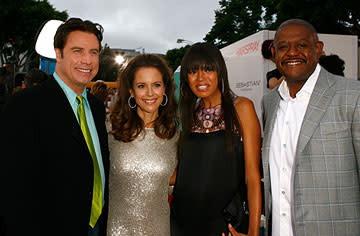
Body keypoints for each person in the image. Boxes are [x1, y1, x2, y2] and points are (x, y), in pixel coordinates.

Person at [0, 18, 110, 236]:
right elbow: (11, 188)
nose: (87, 60)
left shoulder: (96, 108)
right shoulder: (25, 105)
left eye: (94, 52)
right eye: (77, 51)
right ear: (58, 53)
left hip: (94, 227)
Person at [261, 19, 360, 236]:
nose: (292, 53)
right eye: (284, 47)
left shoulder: (352, 96)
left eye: (302, 45)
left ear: (318, 49)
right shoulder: (269, 103)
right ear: (275, 54)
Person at [171, 42, 261, 236]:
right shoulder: (188, 115)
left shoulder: (241, 108)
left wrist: (254, 232)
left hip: (222, 225)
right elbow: (181, 173)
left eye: (208, 69)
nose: (200, 78)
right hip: (181, 223)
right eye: (193, 71)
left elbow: (252, 177)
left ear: (220, 71)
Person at [107, 54, 179, 236]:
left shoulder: (174, 136)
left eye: (156, 85)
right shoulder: (110, 131)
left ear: (165, 89)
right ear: (131, 91)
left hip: (159, 229)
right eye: (141, 86)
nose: (149, 93)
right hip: (117, 230)